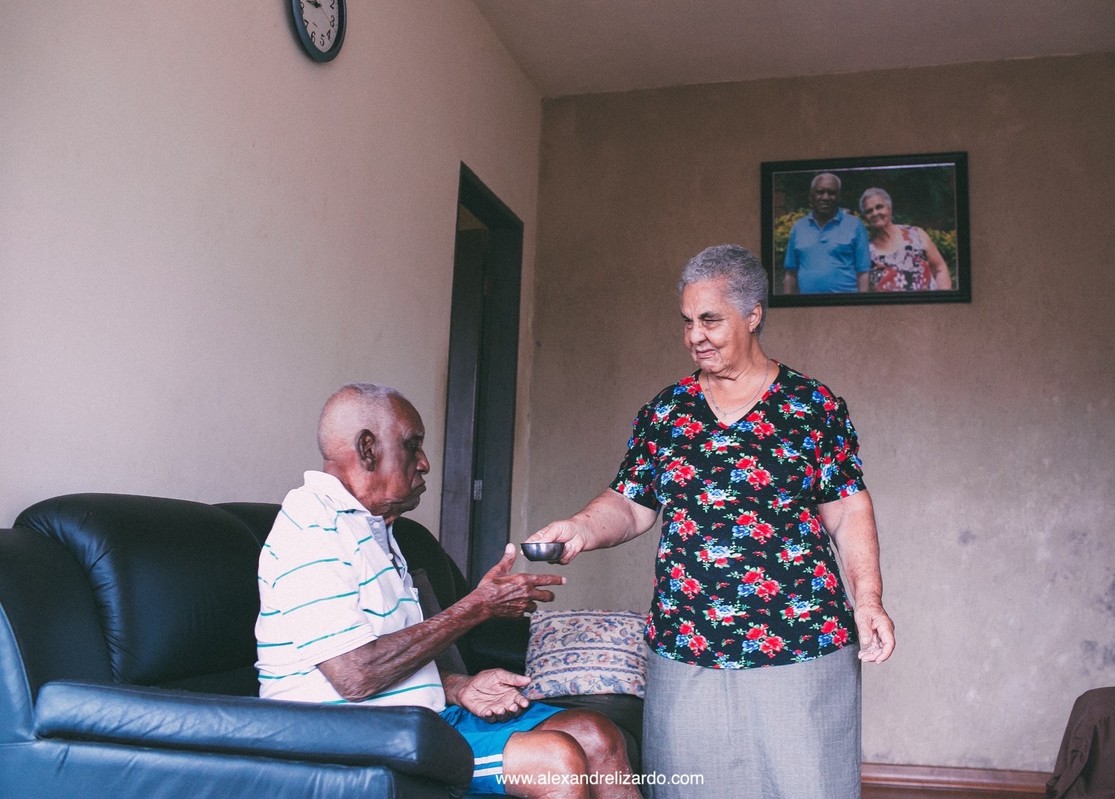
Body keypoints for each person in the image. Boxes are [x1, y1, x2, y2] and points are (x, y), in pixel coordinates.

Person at [526, 245, 895, 799]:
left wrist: (868, 599)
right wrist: (580, 526)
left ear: (753, 315)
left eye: (710, 319)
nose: (695, 334)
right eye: (687, 321)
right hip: (686, 643)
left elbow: (847, 507)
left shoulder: (811, 406)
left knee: (807, 785)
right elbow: (630, 502)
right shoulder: (666, 412)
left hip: (801, 640)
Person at [257, 383, 640, 798]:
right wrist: (479, 606)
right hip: (349, 738)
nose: (423, 463)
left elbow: (390, 657)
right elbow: (356, 675)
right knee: (556, 760)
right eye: (412, 445)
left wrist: (459, 686)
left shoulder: (374, 526)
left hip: (416, 721)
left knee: (596, 733)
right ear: (367, 448)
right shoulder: (314, 530)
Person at [781, 172, 871, 293]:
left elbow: (863, 273)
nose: (825, 197)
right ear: (811, 196)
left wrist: (862, 309)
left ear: (839, 197)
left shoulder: (855, 225)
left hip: (847, 306)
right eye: (820, 192)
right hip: (806, 308)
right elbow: (790, 274)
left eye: (831, 193)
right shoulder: (799, 227)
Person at [859, 187, 953, 291]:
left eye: (879, 207)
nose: (875, 213)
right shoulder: (865, 252)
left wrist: (943, 303)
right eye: (869, 211)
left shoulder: (916, 235)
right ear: (864, 218)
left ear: (889, 209)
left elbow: (940, 269)